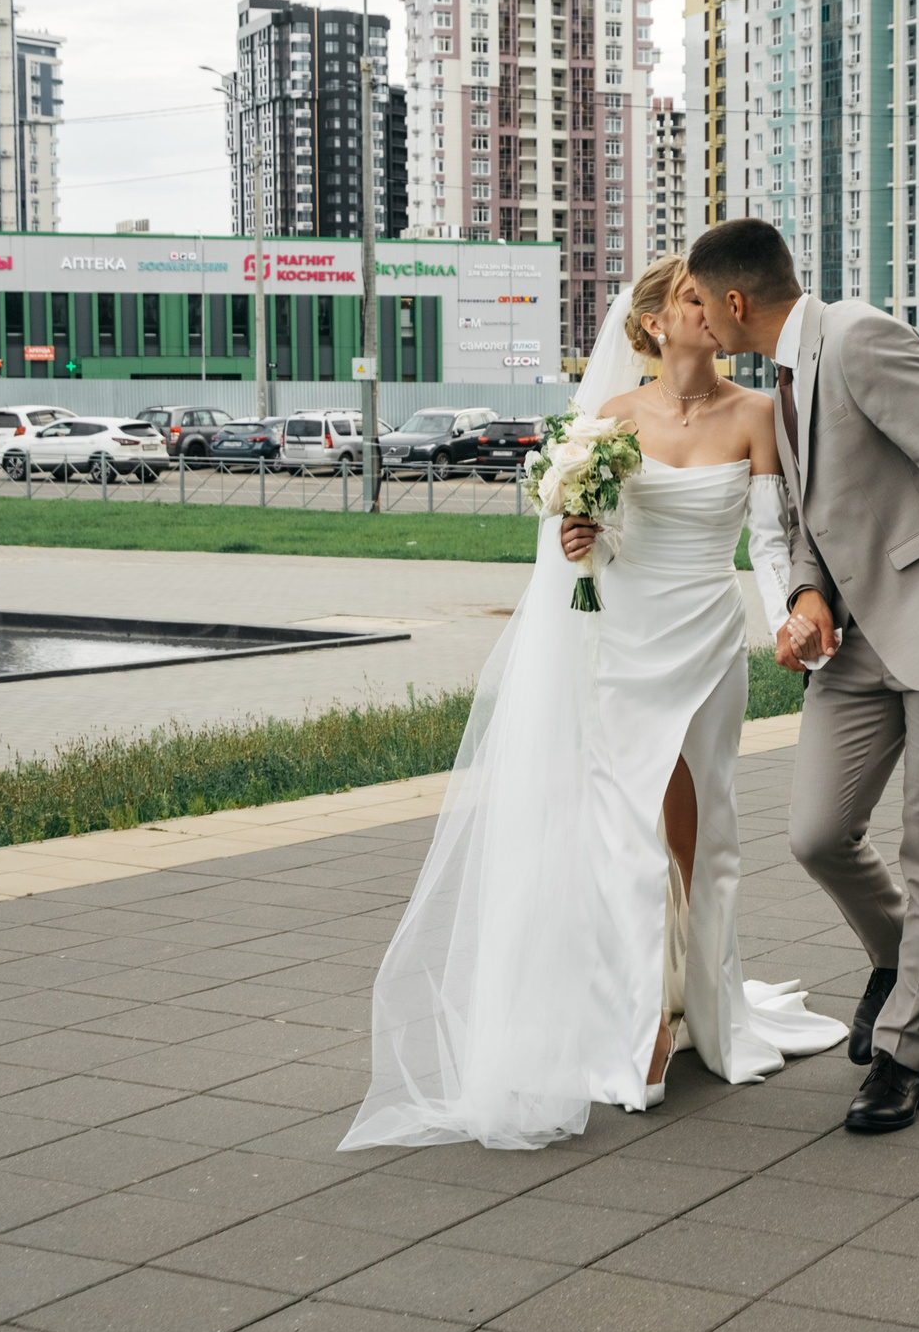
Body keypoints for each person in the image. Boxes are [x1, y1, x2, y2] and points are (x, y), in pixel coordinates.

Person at [342, 256, 843, 1153]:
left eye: (711, 298)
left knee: (704, 832)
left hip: (706, 640)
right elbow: (595, 542)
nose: (709, 310)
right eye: (691, 299)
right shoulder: (610, 418)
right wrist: (579, 535)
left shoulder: (756, 414)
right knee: (625, 834)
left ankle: (701, 1002)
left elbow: (772, 541)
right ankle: (639, 1025)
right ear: (653, 324)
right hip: (625, 641)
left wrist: (787, 621)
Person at [689, 219, 919, 1135]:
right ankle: (894, 955)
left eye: (702, 303)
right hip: (854, 641)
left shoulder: (859, 336)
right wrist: (806, 595)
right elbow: (812, 517)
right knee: (816, 832)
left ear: (735, 300)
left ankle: (904, 1055)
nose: (700, 321)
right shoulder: (782, 378)